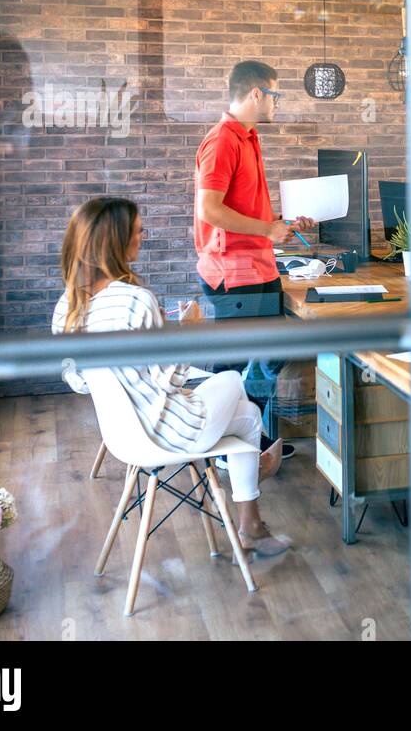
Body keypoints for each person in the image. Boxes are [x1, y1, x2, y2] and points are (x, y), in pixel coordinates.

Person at [53, 196, 289, 557]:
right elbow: (173, 379)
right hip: (171, 430)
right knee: (235, 384)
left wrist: (129, 371)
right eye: (136, 231)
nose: (142, 237)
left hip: (123, 434)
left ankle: (252, 512)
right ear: (113, 241)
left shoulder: (66, 307)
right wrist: (186, 332)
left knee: (247, 413)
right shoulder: (135, 300)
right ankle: (251, 508)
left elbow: (79, 381)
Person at [194, 60, 314, 446]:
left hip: (258, 265)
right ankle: (216, 444)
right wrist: (267, 229)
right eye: (275, 94)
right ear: (256, 94)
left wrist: (280, 221)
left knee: (273, 352)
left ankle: (245, 434)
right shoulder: (223, 139)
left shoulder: (248, 136)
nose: (278, 102)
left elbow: (240, 205)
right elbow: (209, 210)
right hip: (233, 271)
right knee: (229, 366)